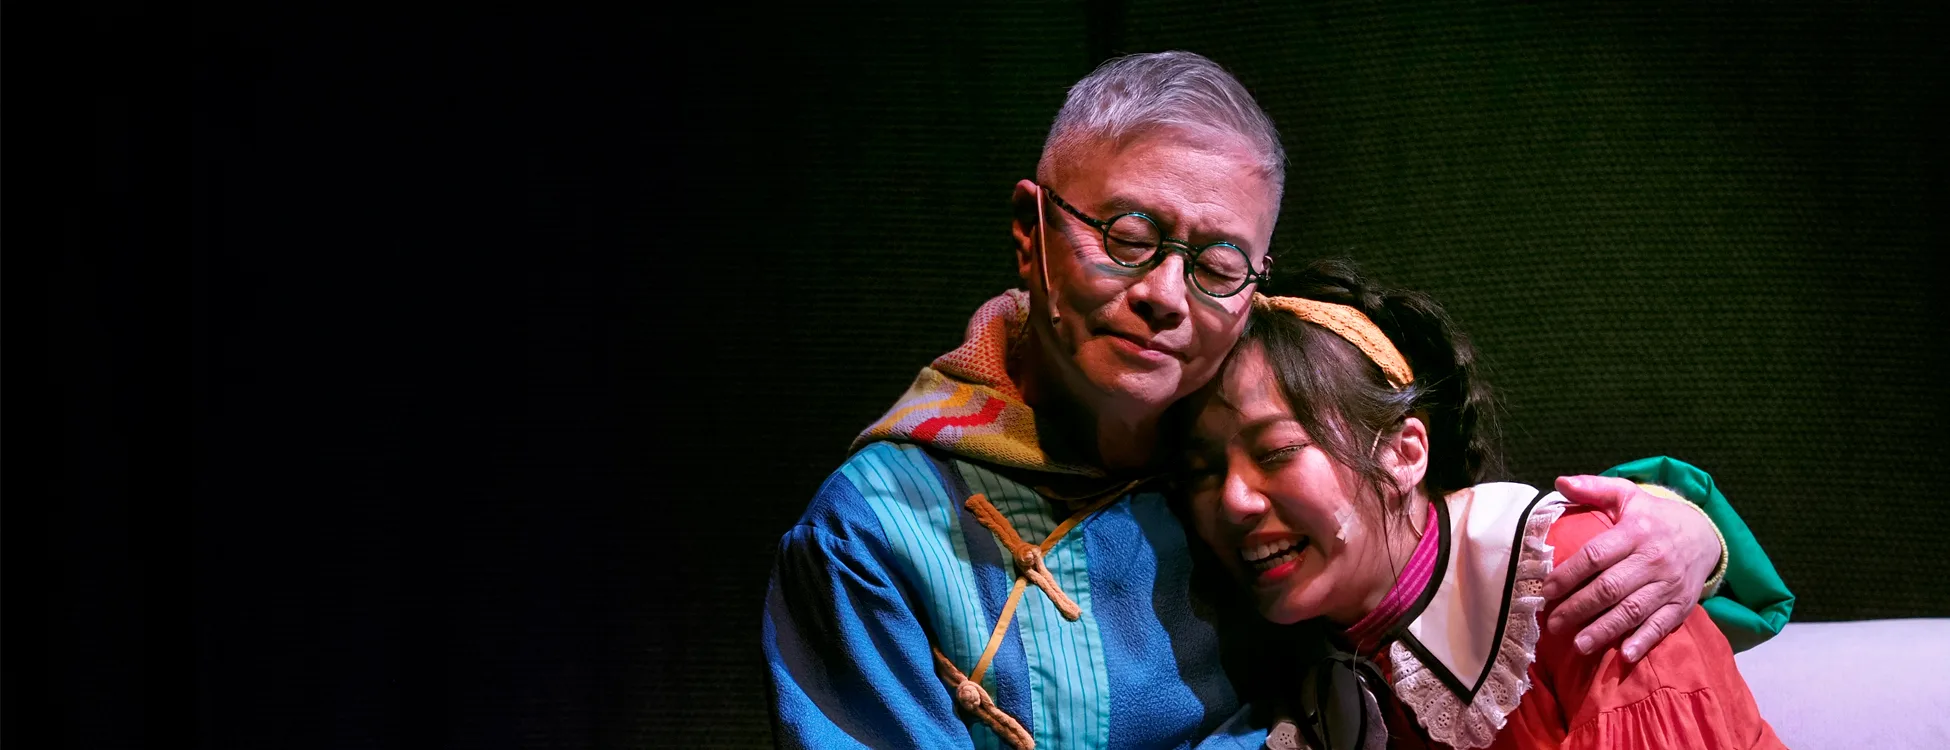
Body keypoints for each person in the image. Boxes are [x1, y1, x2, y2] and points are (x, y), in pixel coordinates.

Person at [762, 51, 1789, 749]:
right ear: (1032, 235)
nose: (1166, 296)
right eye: (1127, 237)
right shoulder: (876, 532)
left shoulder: (1227, 436)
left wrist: (1683, 525)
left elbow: (1454, 533)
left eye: (1217, 264)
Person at [1180, 260, 1791, 749]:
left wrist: (1696, 528)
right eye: (1205, 471)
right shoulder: (1309, 673)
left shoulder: (1584, 570)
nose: (1233, 501)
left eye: (1277, 451)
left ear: (1404, 454)